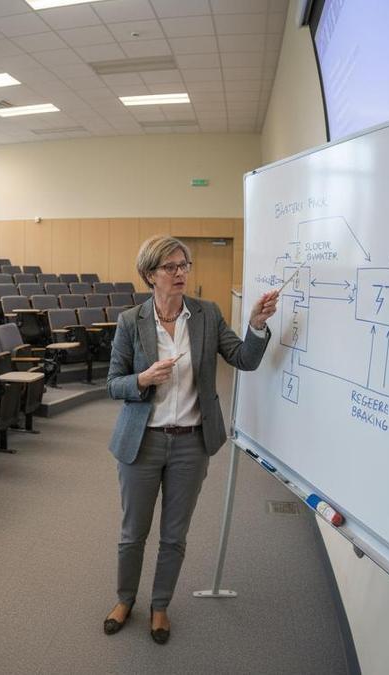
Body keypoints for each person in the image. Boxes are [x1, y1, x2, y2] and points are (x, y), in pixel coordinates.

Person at [103, 235, 278, 645]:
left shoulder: (206, 314)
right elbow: (113, 384)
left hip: (190, 444)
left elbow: (244, 360)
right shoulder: (131, 322)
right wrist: (143, 379)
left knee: (174, 535)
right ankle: (125, 599)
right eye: (170, 267)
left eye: (184, 265)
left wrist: (255, 324)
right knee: (133, 532)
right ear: (150, 274)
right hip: (141, 443)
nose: (180, 273)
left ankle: (160, 605)